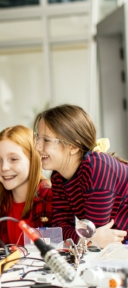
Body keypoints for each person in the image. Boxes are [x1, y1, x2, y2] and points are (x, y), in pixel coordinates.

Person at [34, 104, 128, 247]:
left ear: (73, 146)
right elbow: (61, 231)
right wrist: (89, 239)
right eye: (38, 138)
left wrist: (90, 238)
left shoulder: (98, 168)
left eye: (46, 140)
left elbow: (94, 235)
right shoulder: (58, 177)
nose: (37, 147)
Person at [0, 125, 52, 246]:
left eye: (13, 159)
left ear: (33, 160)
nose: (4, 167)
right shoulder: (1, 205)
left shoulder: (51, 199)